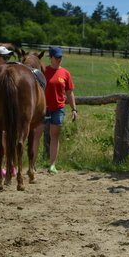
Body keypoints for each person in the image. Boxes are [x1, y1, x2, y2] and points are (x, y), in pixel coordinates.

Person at [31, 46, 77, 174]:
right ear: (50, 58)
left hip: (58, 108)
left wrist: (74, 109)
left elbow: (69, 92)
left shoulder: (65, 73)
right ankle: (32, 164)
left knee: (54, 136)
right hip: (42, 108)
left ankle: (52, 165)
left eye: (60, 57)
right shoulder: (42, 72)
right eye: (56, 57)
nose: (59, 59)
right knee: (37, 135)